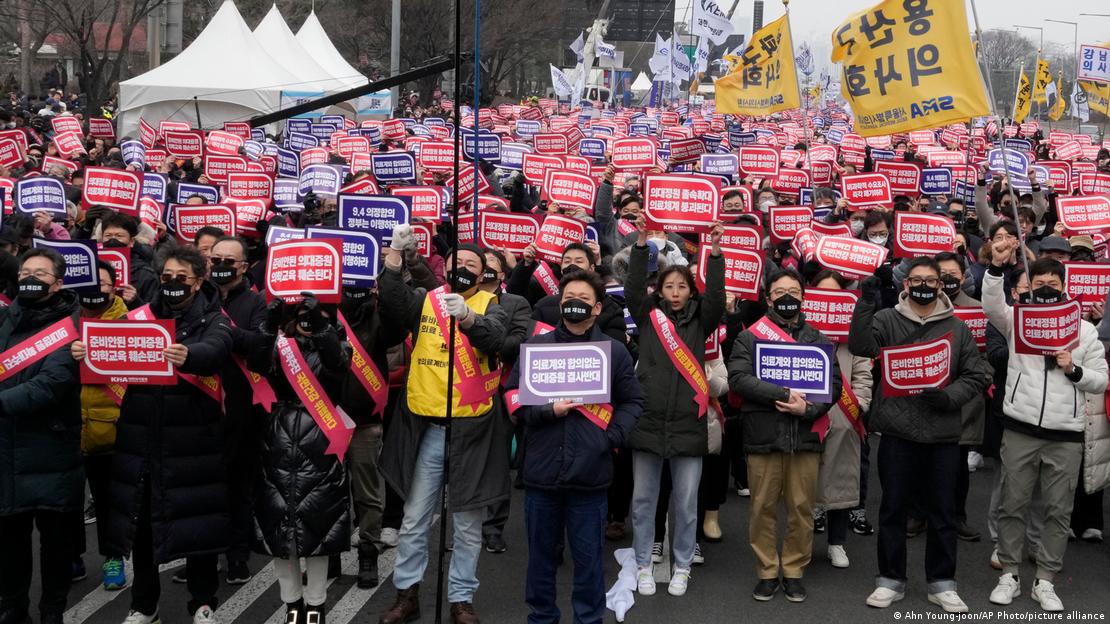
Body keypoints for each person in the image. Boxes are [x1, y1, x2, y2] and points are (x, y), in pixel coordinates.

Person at [91, 245, 233, 624]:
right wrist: (84, 351)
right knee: (142, 529)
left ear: (199, 281)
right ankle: (144, 605)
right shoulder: (139, 319)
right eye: (167, 276)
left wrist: (189, 355)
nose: (172, 283)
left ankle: (203, 602)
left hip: (193, 442)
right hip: (142, 439)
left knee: (197, 524)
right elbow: (106, 351)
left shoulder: (213, 320)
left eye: (182, 278)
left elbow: (217, 350)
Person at [377, 227, 510, 624]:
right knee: (416, 518)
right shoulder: (426, 299)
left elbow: (498, 339)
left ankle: (461, 598)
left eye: (473, 265)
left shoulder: (493, 303)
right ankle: (407, 594)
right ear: (446, 270)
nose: (465, 270)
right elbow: (395, 303)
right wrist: (395, 258)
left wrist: (468, 317)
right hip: (428, 427)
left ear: (484, 272)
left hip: (472, 430)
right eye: (457, 265)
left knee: (468, 523)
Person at [849, 256, 989, 613]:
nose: (924, 285)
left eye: (931, 280)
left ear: (941, 286)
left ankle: (942, 583)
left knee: (943, 512)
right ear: (905, 285)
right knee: (892, 509)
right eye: (917, 280)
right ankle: (890, 579)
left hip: (942, 435)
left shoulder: (958, 329)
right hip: (897, 432)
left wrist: (949, 397)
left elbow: (978, 374)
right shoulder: (885, 319)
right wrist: (866, 300)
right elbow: (862, 346)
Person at [506, 270, 642, 624]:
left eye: (583, 298)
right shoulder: (536, 348)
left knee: (588, 561)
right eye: (568, 297)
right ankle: (541, 617)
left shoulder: (614, 352)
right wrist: (547, 411)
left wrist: (609, 438)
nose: (574, 303)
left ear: (597, 308)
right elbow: (512, 398)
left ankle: (589, 619)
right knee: (539, 561)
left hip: (590, 475)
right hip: (541, 473)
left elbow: (633, 403)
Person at [982, 250, 1108, 612]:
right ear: (1029, 289)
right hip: (1020, 428)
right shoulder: (1016, 320)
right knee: (1012, 505)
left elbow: (1101, 380)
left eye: (1054, 285)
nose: (1048, 290)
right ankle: (1009, 573)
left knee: (1057, 511)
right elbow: (991, 305)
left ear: (1065, 288)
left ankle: (1046, 580)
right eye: (1040, 285)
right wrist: (995, 268)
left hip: (1065, 435)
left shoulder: (1084, 331)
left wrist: (1074, 370)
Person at [625, 216, 725, 598]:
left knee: (685, 503)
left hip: (688, 421)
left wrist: (714, 254)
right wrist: (640, 243)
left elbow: (716, 297)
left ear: (691, 291)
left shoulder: (703, 321)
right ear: (660, 290)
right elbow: (634, 288)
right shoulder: (648, 318)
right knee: (643, 501)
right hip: (649, 421)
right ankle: (643, 564)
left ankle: (682, 565)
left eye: (683, 286)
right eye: (669, 286)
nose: (676, 292)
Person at [728, 268, 842, 602]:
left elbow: (831, 387)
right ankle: (766, 570)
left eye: (793, 291)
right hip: (763, 435)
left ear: (804, 297)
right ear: (768, 298)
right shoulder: (751, 337)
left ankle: (793, 570)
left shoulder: (818, 339)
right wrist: (782, 393)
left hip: (804, 437)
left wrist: (804, 410)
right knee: (761, 507)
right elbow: (738, 378)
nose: (787, 298)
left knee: (802, 508)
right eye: (779, 292)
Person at [248, 293, 352, 624]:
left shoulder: (338, 344)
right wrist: (270, 322)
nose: (308, 318)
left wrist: (322, 327)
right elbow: (256, 363)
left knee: (317, 530)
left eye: (317, 312)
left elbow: (337, 366)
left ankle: (316, 604)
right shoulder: (281, 346)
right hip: (277, 440)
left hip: (320, 440)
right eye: (304, 313)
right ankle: (291, 602)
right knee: (281, 532)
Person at [0, 248, 82, 624]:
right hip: (6, 450)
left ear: (58, 282)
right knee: (10, 542)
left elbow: (52, 384)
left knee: (55, 544)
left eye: (40, 273)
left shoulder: (73, 329)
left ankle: (53, 610)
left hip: (52, 449)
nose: (31, 278)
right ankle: (14, 606)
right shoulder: (4, 321)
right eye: (25, 272)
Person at [209, 236, 267, 585]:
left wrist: (226, 331)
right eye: (216, 258)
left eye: (229, 260)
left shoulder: (256, 303)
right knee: (205, 487)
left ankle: (237, 556)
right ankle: (204, 555)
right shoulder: (200, 298)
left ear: (244, 266)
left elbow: (260, 345)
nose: (221, 265)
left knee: (238, 486)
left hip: (243, 408)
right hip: (202, 406)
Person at [809, 270, 872, 571]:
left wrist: (858, 404)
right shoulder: (801, 330)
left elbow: (863, 375)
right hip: (805, 414)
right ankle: (801, 543)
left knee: (841, 482)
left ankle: (836, 543)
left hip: (844, 415)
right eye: (823, 296)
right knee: (803, 483)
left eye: (836, 296)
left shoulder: (854, 335)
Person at [72, 261, 129, 591]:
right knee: (66, 502)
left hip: (111, 428)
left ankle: (113, 557)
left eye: (102, 284)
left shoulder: (132, 323)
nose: (95, 291)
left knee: (108, 500)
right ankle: (71, 555)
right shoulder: (64, 323)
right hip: (68, 427)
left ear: (114, 287)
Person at [477, 248, 531, 555]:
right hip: (463, 392)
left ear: (500, 274)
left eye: (490, 265)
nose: (484, 270)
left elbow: (518, 343)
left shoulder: (515, 303)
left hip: (500, 389)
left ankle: (493, 527)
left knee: (498, 461)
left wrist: (482, 336)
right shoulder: (457, 301)